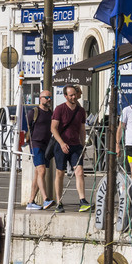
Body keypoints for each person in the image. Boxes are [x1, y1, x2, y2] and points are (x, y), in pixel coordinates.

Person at [51, 83, 91, 212]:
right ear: (65, 96)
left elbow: (82, 129)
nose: (74, 97)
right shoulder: (60, 109)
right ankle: (59, 202)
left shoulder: (81, 111)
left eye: (75, 94)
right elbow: (53, 128)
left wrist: (83, 145)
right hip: (61, 145)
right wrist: (62, 143)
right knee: (60, 173)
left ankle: (82, 200)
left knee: (79, 172)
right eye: (71, 95)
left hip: (76, 145)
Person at [18, 90, 56, 210]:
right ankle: (45, 199)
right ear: (40, 98)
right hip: (36, 144)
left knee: (37, 174)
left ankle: (31, 201)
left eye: (50, 97)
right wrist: (23, 144)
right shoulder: (34, 112)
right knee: (42, 171)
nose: (49, 99)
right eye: (46, 97)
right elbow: (24, 128)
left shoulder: (51, 113)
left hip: (46, 145)